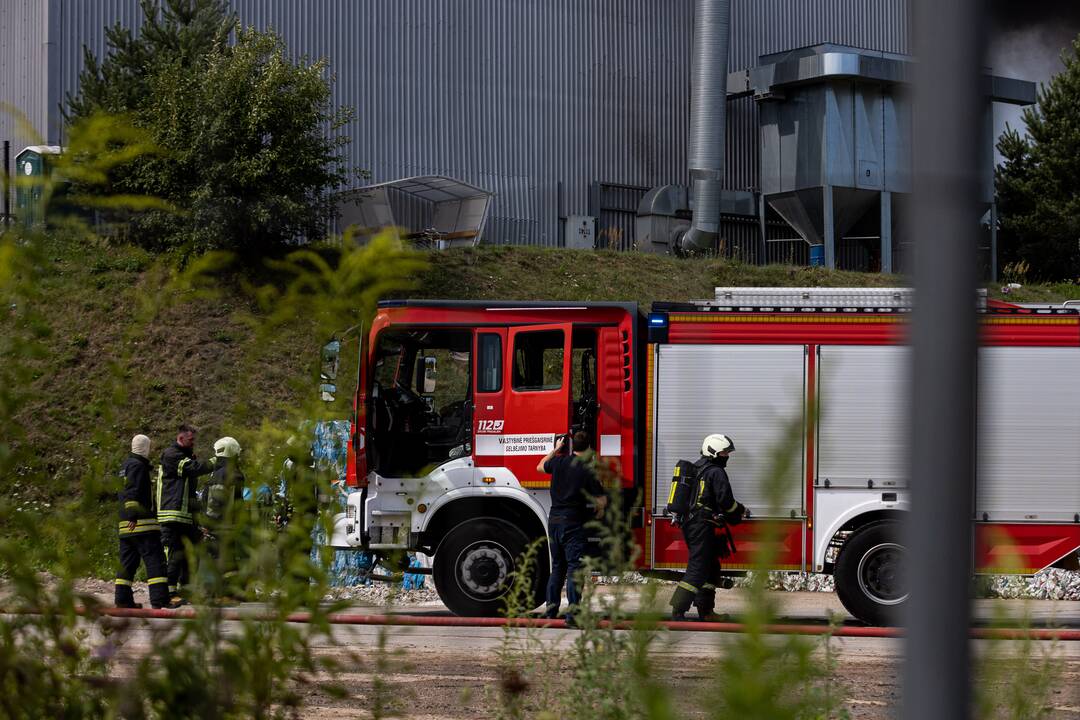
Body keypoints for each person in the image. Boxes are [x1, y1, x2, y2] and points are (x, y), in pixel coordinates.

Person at [669, 433, 747, 622]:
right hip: (701, 526)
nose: (726, 456)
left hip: (695, 524)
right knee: (698, 567)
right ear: (713, 452)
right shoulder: (716, 472)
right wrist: (739, 511)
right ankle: (678, 608)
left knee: (711, 566)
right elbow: (726, 501)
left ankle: (706, 611)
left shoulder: (699, 468)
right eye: (724, 453)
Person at [536, 431, 607, 622]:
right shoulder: (587, 470)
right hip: (573, 524)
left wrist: (555, 450)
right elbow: (601, 500)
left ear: (572, 447)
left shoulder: (558, 462)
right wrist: (598, 514)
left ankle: (551, 611)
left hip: (554, 522)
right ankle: (572, 615)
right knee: (575, 568)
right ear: (589, 449)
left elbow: (540, 467)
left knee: (558, 567)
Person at [157, 424, 216, 606]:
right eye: (191, 440)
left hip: (186, 515)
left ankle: (187, 590)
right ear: (181, 438)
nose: (193, 443)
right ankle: (169, 592)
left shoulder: (185, 456)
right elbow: (191, 469)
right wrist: (216, 462)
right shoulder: (171, 455)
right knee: (175, 554)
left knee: (192, 552)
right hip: (172, 515)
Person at [115, 434, 170, 609]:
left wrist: (128, 516)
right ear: (145, 447)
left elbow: (122, 492)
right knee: (155, 561)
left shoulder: (125, 466)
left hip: (125, 526)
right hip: (141, 524)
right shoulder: (138, 466)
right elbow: (133, 491)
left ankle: (122, 600)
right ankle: (159, 599)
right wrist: (133, 515)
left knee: (127, 564)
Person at [201, 436, 247, 600]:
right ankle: (231, 592)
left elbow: (214, 502)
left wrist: (207, 522)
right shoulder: (236, 473)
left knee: (214, 558)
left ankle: (212, 593)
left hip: (219, 525)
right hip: (231, 524)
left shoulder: (220, 474)